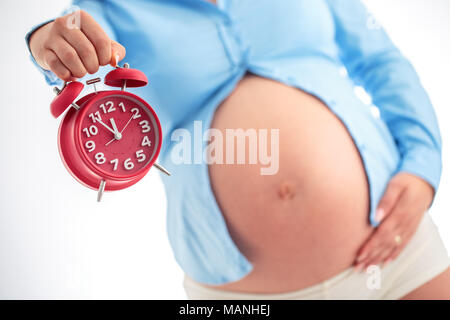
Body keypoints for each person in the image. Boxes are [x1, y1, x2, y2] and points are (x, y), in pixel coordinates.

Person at [27, 0, 450, 299]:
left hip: (399, 259)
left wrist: (422, 165)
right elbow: (71, 37)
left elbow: (380, 62)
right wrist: (44, 42)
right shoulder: (110, 7)